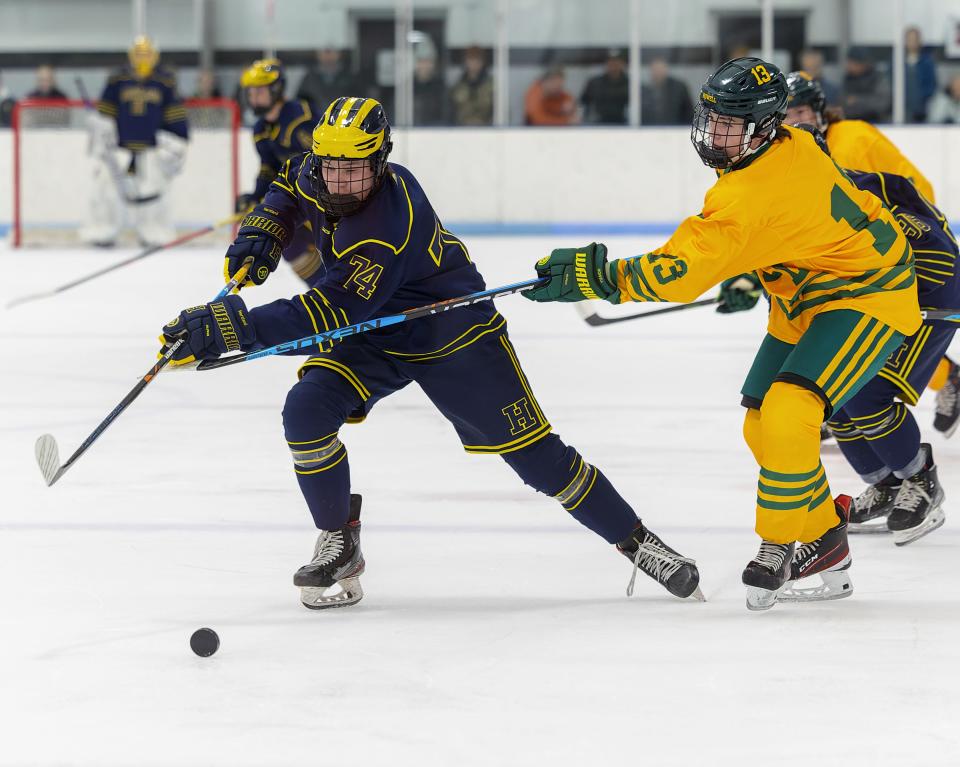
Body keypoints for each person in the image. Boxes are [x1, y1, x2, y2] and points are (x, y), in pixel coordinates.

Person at [158, 96, 702, 610]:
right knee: (306, 411)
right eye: (331, 166)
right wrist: (267, 226)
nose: (341, 180)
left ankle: (639, 542)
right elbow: (288, 181)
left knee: (538, 460)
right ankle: (339, 540)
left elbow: (328, 315)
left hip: (452, 334)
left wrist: (235, 327)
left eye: (355, 168)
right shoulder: (322, 168)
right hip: (378, 331)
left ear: (381, 161)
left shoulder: (384, 226)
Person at [524, 58, 921, 611]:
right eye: (710, 118)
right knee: (762, 424)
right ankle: (826, 541)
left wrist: (600, 277)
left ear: (761, 128)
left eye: (728, 124)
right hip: (804, 295)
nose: (713, 133)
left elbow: (682, 271)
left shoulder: (754, 187)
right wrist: (748, 271)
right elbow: (782, 229)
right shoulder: (793, 143)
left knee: (789, 410)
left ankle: (778, 543)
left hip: (867, 296)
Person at [722, 124, 954, 544]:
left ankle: (921, 480)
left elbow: (935, 251)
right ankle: (885, 483)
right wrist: (747, 280)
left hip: (927, 300)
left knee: (868, 395)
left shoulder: (862, 195)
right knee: (835, 395)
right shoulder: (792, 203)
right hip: (879, 302)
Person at [785, 70, 959, 437]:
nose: (794, 121)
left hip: (903, 241)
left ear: (818, 111)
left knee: (879, 330)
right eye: (787, 114)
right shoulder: (805, 150)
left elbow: (907, 192)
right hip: (864, 244)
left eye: (800, 112)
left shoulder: (848, 139)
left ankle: (947, 379)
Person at [80, 36, 189, 247]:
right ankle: (102, 231)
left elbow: (175, 116)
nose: (143, 59)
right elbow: (106, 113)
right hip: (119, 150)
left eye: (147, 54)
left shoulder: (165, 81)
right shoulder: (117, 79)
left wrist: (178, 140)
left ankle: (154, 232)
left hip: (151, 150)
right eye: (139, 54)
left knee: (154, 193)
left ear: (155, 56)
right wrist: (99, 127)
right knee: (106, 190)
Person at [237, 58, 321, 284]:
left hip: (326, 199)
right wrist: (256, 197)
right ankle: (327, 295)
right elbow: (269, 168)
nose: (253, 98)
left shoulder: (302, 119)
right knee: (289, 244)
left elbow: (324, 163)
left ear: (277, 90)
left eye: (259, 92)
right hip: (300, 200)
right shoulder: (261, 130)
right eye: (250, 93)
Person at [841, 48, 891, 123]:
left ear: (862, 64)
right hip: (852, 124)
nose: (849, 66)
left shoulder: (877, 78)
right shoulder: (848, 79)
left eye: (852, 63)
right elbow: (843, 103)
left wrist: (857, 100)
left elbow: (882, 103)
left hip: (876, 124)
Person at [580, 49, 628, 125]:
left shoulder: (630, 84)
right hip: (598, 124)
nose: (613, 64)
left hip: (624, 125)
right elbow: (584, 104)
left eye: (616, 61)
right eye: (610, 61)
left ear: (622, 63)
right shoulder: (594, 83)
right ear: (606, 63)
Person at [640, 56, 693, 125]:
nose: (657, 73)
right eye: (655, 70)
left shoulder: (678, 88)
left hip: (676, 129)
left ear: (665, 70)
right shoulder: (645, 91)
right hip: (651, 129)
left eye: (660, 69)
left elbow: (689, 112)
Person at [450, 46, 493, 126]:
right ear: (465, 61)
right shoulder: (458, 86)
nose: (474, 63)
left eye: (477, 60)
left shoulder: (492, 86)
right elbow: (451, 112)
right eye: (471, 59)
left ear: (482, 62)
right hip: (462, 130)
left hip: (486, 131)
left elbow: (502, 112)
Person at [904, 26, 937, 123]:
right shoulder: (897, 62)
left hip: (922, 110)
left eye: (915, 39)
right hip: (902, 108)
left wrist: (921, 101)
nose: (912, 42)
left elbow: (932, 85)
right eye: (910, 39)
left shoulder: (927, 62)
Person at [412, 52, 449, 125]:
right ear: (416, 64)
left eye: (427, 62)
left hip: (434, 130)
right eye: (421, 61)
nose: (424, 65)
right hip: (413, 129)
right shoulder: (408, 88)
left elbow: (446, 113)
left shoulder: (440, 88)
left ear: (432, 64)